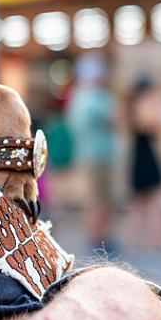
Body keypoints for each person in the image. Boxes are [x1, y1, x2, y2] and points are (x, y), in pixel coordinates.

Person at [66, 54, 119, 254]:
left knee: (97, 202)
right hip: (98, 158)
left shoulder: (77, 97)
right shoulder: (96, 98)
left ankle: (98, 239)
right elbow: (115, 120)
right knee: (99, 202)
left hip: (88, 155)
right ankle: (98, 241)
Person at [124, 76, 161, 269]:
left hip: (141, 159)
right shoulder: (142, 107)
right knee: (151, 208)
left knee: (139, 209)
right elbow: (153, 125)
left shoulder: (133, 107)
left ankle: (135, 250)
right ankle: (152, 250)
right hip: (145, 161)